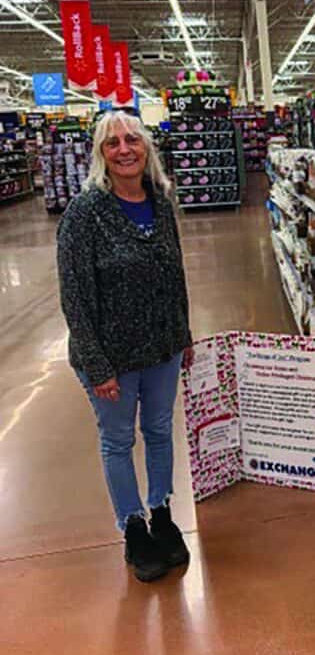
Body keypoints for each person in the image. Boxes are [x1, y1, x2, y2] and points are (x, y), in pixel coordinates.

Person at [57, 110, 194, 583]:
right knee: (117, 441)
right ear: (101, 154)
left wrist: (185, 334)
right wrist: (96, 365)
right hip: (111, 357)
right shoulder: (84, 213)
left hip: (163, 347)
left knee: (158, 431)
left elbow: (176, 274)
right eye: (112, 143)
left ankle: (161, 512)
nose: (124, 149)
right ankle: (133, 527)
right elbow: (73, 295)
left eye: (132, 140)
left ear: (147, 148)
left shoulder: (160, 201)